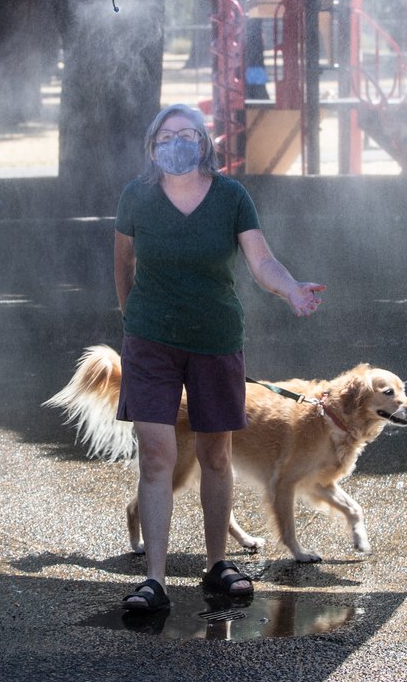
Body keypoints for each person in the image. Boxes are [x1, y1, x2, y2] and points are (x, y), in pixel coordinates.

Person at [113, 104, 326, 612]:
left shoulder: (231, 196)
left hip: (215, 340)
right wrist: (133, 321)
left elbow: (261, 261)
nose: (178, 142)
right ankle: (156, 579)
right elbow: (123, 262)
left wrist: (291, 288)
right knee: (158, 455)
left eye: (188, 134)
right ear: (152, 145)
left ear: (205, 142)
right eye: (167, 136)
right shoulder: (136, 196)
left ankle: (216, 565)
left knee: (217, 455)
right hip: (150, 343)